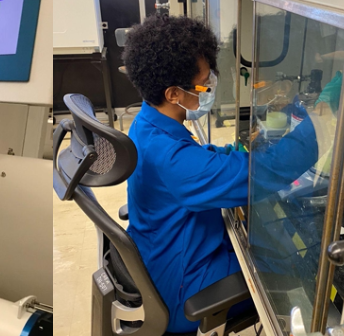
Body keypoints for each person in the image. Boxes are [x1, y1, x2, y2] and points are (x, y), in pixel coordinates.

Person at [123, 15, 318, 333]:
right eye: (205, 83)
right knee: (293, 266)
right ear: (174, 94)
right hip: (184, 286)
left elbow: (205, 158)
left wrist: (239, 154)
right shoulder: (172, 158)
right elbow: (264, 173)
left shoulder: (148, 124)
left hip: (164, 249)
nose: (211, 86)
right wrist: (320, 130)